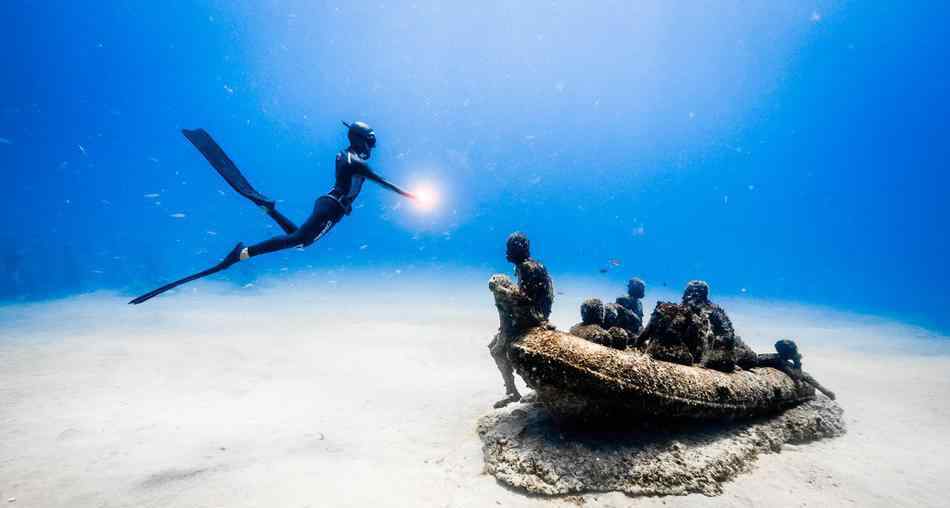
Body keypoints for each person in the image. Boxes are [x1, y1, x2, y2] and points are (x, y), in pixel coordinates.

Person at [129, 121, 415, 304]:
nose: (373, 146)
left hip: (331, 206)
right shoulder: (353, 159)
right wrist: (409, 195)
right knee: (300, 241)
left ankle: (269, 210)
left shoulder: (349, 156)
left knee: (300, 240)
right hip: (331, 206)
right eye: (372, 140)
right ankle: (242, 253)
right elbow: (377, 180)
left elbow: (360, 179)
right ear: (361, 139)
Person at [487, 232, 554, 408]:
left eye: (509, 249)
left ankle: (512, 391)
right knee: (496, 347)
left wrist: (499, 289)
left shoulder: (526, 267)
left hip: (531, 319)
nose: (506, 253)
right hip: (539, 316)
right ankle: (515, 391)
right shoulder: (536, 265)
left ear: (517, 249)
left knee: (496, 350)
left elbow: (524, 299)